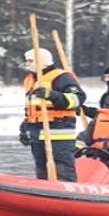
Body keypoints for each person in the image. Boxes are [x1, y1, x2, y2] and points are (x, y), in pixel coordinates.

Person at [19, 48, 86, 182]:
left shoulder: (61, 77)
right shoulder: (30, 80)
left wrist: (52, 95)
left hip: (58, 130)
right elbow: (32, 108)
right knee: (41, 168)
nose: (27, 64)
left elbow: (78, 98)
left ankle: (68, 196)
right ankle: (45, 196)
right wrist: (25, 128)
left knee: (62, 167)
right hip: (37, 131)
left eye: (30, 61)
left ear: (41, 61)